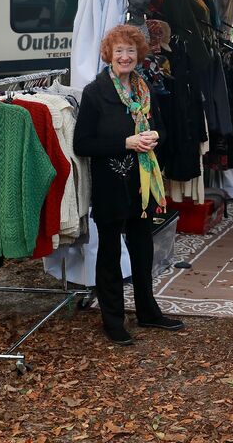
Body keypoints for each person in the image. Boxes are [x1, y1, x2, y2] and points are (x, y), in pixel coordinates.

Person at [73, 24, 184, 344]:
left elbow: (162, 128)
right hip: (111, 183)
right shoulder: (95, 92)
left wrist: (154, 136)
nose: (125, 56)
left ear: (139, 55)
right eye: (119, 51)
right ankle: (113, 320)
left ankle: (148, 313)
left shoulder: (144, 89)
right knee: (108, 252)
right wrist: (127, 142)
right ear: (109, 54)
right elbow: (83, 144)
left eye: (131, 51)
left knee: (142, 248)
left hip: (142, 182)